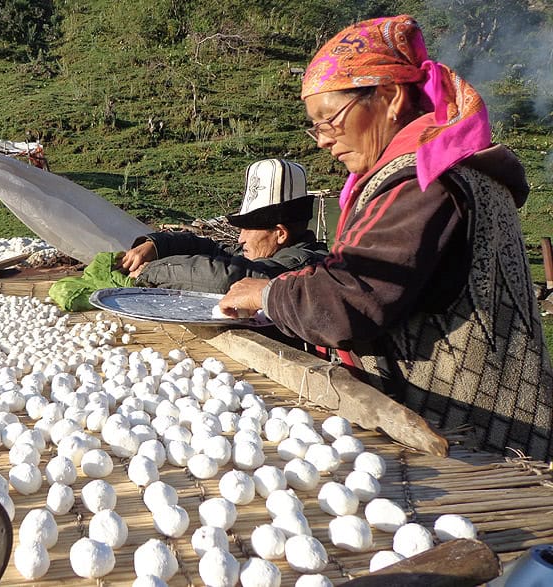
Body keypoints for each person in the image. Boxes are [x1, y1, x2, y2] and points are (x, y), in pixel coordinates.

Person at [219, 15, 553, 460]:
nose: (321, 140)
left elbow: (354, 299)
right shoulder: (441, 168)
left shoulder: (426, 181)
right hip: (473, 425)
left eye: (328, 119)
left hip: (478, 440)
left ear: (391, 98)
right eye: (314, 126)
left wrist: (268, 294)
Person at [116, 159, 328, 294]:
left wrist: (153, 271)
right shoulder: (260, 253)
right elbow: (211, 248)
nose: (240, 239)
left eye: (248, 229)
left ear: (280, 234)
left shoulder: (302, 265)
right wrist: (155, 246)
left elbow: (227, 277)